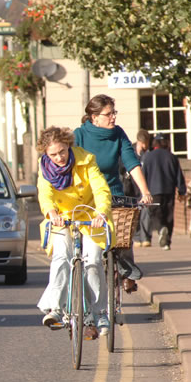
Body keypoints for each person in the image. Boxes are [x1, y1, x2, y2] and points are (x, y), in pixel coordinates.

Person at [36, 127, 113, 339]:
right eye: (53, 154)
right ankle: (56, 309)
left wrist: (102, 213)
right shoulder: (44, 168)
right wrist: (51, 213)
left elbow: (101, 189)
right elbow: (45, 193)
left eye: (62, 151)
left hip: (90, 217)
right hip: (62, 219)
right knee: (61, 257)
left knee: (93, 262)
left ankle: (101, 313)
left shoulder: (86, 160)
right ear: (45, 153)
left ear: (68, 145)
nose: (59, 157)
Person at [74, 94, 152, 292]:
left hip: (112, 194)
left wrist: (145, 191)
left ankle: (126, 270)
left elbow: (131, 162)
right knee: (86, 251)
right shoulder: (79, 135)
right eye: (108, 114)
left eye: (114, 113)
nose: (113, 117)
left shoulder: (118, 134)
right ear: (94, 117)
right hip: (86, 197)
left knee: (122, 230)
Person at [142, 133, 186, 250]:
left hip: (153, 190)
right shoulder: (171, 157)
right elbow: (178, 175)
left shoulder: (149, 157)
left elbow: (143, 175)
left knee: (155, 213)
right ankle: (166, 242)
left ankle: (161, 228)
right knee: (169, 215)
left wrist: (143, 191)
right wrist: (182, 191)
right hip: (169, 190)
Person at [131, 129, 153, 246]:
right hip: (132, 188)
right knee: (135, 214)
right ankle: (136, 237)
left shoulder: (148, 154)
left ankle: (145, 238)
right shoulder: (130, 151)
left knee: (146, 212)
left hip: (144, 188)